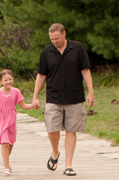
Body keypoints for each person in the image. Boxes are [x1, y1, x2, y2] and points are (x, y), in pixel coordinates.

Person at [31, 23, 94, 176]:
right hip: (53, 97)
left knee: (71, 131)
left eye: (57, 38)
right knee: (52, 129)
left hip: (75, 97)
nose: (54, 41)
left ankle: (68, 165)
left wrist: (91, 91)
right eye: (52, 39)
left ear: (64, 34)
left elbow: (85, 70)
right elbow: (41, 75)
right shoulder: (46, 52)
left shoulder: (77, 48)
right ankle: (55, 152)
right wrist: (35, 96)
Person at [0, 69, 35, 176]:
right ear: (0, 81)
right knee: (4, 143)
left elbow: (23, 105)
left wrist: (33, 105)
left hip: (12, 119)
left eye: (10, 79)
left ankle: (5, 160)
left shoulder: (16, 91)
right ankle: (6, 167)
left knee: (10, 143)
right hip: (1, 120)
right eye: (5, 80)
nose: (8, 82)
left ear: (12, 79)